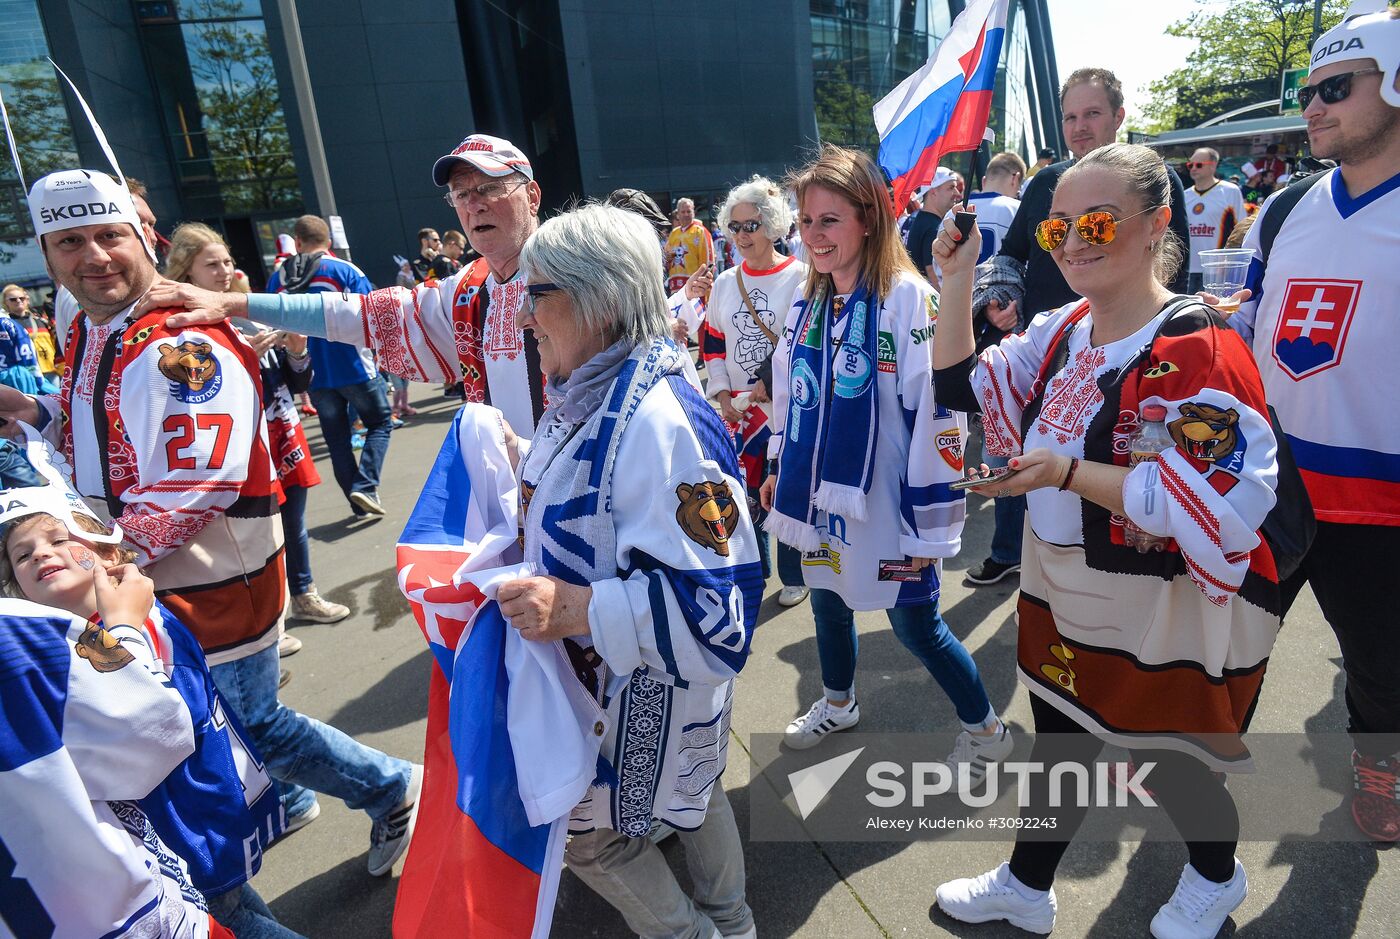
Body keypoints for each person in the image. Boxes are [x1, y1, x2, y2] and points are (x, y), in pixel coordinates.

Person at [0, 166, 421, 878]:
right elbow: (101, 426)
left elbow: (202, 479)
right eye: (71, 241)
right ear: (47, 257)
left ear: (142, 237)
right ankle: (286, 799)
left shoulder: (177, 338)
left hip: (218, 578)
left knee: (248, 722)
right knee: (227, 722)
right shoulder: (96, 331)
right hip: (156, 584)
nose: (94, 256)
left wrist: (104, 561)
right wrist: (35, 410)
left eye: (109, 235)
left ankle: (392, 787)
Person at [931, 143, 1281, 939]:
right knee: (1061, 731)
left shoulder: (1200, 347)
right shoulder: (1061, 330)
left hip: (1157, 601)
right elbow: (961, 387)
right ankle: (1027, 884)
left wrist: (1063, 471)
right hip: (1061, 587)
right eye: (1057, 231)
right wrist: (956, 279)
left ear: (1159, 222)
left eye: (1095, 221)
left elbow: (1215, 501)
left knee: (1171, 756)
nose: (1074, 242)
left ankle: (1217, 877)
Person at [501, 203, 760, 939]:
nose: (524, 317)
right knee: (700, 789)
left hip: (647, 694)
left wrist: (579, 609)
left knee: (590, 835)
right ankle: (732, 923)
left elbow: (723, 611)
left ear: (601, 302)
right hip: (638, 688)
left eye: (537, 293)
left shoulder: (658, 419)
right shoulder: (595, 386)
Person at [757, 145, 1011, 776]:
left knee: (915, 628)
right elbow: (790, 393)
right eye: (807, 221)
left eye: (830, 220)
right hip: (819, 501)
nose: (814, 236)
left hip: (890, 509)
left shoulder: (909, 298)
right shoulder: (807, 299)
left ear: (868, 218)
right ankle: (839, 702)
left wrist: (931, 525)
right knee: (826, 601)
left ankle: (987, 731)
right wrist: (774, 464)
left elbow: (940, 417)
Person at [0, 445, 300, 938]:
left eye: (58, 539)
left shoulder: (142, 623)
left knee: (233, 920)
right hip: (180, 820)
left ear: (107, 551)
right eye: (24, 556)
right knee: (238, 911)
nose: (42, 555)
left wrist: (123, 631)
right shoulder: (74, 639)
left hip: (184, 821)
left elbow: (154, 719)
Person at [1230, 1, 1400, 842]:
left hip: (1384, 507)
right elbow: (1251, 318)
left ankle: (1383, 772)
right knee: (1227, 646)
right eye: (1306, 90)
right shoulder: (1287, 205)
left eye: (1337, 86)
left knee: (1383, 670)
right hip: (1272, 485)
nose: (1313, 106)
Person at [144, 134, 551, 440]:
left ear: (531, 196)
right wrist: (234, 302)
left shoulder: (576, 266)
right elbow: (356, 313)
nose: (473, 204)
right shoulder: (465, 290)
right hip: (511, 490)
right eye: (460, 193)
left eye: (490, 188)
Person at [964, 67, 1192, 589]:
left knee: (1113, 488)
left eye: (1092, 113)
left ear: (1118, 116)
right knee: (1024, 470)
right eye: (1070, 115)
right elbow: (1011, 258)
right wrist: (998, 298)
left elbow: (1171, 271)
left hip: (1127, 359)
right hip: (1049, 356)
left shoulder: (1154, 180)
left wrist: (1141, 322)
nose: (1071, 243)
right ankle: (1014, 554)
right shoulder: (1046, 182)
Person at [165, 223, 349, 628]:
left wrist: (299, 353)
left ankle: (304, 594)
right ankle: (269, 621)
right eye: (211, 264)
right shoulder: (181, 327)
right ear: (185, 271)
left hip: (281, 431)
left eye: (227, 261)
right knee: (254, 540)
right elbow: (187, 396)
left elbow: (298, 381)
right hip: (236, 449)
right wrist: (239, 359)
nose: (224, 271)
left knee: (294, 527)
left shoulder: (241, 314)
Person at [695, 176, 810, 608]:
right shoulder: (725, 282)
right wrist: (722, 395)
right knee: (742, 490)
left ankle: (793, 571)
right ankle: (756, 572)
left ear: (774, 225)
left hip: (783, 402)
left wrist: (773, 381)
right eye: (735, 225)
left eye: (752, 225)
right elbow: (713, 341)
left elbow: (806, 340)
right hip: (737, 408)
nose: (742, 235)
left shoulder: (801, 276)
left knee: (783, 484)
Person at [267, 215, 395, 519]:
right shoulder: (345, 270)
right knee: (380, 422)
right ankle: (365, 487)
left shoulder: (278, 279)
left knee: (337, 440)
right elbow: (371, 315)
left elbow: (272, 321)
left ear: (297, 242)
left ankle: (359, 502)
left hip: (310, 373)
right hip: (354, 366)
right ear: (330, 241)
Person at [1183, 147, 1247, 294]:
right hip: (1189, 269)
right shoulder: (1185, 195)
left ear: (1213, 165)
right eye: (1190, 165)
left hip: (1218, 269)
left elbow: (1241, 230)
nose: (1193, 168)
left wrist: (1232, 263)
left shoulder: (1230, 191)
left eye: (1199, 165)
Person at [906, 167, 963, 290]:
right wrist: (944, 300)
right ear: (933, 192)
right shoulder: (933, 227)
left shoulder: (921, 219)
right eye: (951, 188)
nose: (957, 194)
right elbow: (931, 270)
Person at [4, 284, 60, 384]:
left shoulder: (42, 322)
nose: (18, 301)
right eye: (13, 299)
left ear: (27, 300)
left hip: (50, 370)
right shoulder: (6, 326)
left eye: (22, 298)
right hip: (26, 375)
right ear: (5, 303)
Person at [664, 197, 716, 295]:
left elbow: (709, 261)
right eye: (683, 212)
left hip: (695, 287)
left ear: (693, 212)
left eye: (689, 211)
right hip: (675, 287)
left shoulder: (700, 231)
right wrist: (668, 257)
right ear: (678, 214)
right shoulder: (674, 233)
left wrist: (703, 284)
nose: (686, 214)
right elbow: (667, 257)